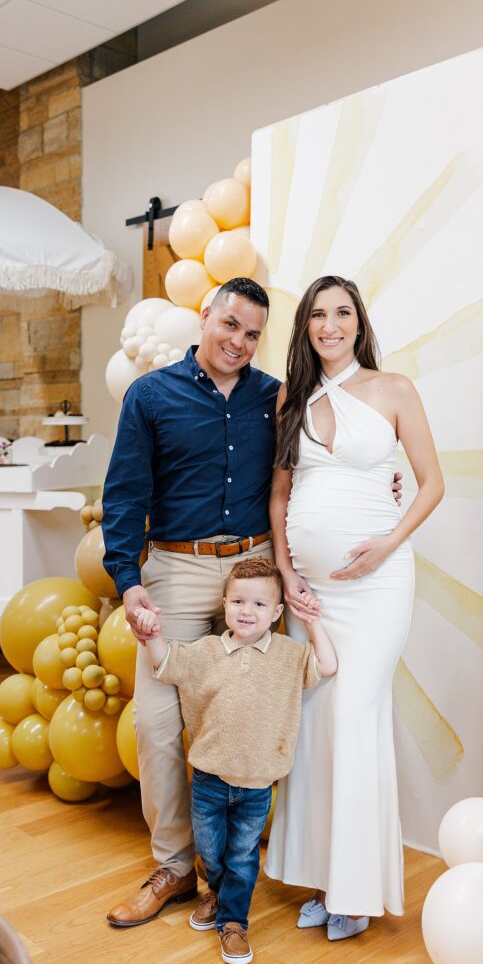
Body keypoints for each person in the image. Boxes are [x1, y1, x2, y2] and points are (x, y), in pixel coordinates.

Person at [102, 276, 401, 928]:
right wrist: (129, 582)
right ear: (203, 317)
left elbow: (316, 467)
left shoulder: (277, 397)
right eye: (229, 324)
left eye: (252, 333)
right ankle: (175, 866)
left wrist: (389, 482)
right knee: (157, 724)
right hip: (176, 568)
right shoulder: (150, 397)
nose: (238, 340)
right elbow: (123, 497)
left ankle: (237, 861)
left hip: (257, 571)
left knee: (257, 715)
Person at [265, 275, 444, 941]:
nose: (330, 324)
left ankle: (358, 892)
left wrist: (388, 541)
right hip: (312, 596)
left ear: (359, 323)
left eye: (342, 312)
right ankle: (322, 878)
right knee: (315, 728)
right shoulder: (291, 396)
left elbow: (432, 483)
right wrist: (288, 578)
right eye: (318, 314)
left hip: (378, 586)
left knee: (355, 717)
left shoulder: (394, 389)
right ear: (306, 327)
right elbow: (280, 499)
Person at [134, 557, 337, 964]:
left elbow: (327, 665)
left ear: (277, 613)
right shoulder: (205, 650)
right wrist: (151, 635)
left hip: (258, 783)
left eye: (260, 605)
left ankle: (233, 923)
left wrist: (313, 621)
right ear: (224, 604)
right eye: (239, 601)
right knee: (211, 853)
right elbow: (165, 663)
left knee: (243, 856)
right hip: (209, 779)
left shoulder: (288, 654)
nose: (248, 611)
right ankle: (216, 893)